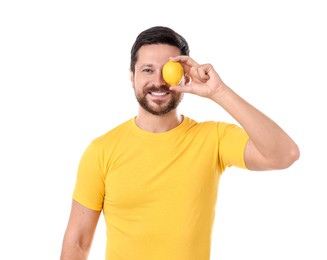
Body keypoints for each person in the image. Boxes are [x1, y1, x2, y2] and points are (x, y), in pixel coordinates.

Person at [60, 26, 300, 260]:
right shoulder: (101, 151)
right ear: (132, 76)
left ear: (184, 75)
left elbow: (284, 154)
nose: (159, 81)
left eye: (168, 70)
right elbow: (78, 242)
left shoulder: (213, 139)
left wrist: (218, 91)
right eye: (147, 70)